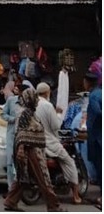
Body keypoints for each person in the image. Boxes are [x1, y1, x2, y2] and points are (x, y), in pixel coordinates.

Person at [3, 87, 63, 212]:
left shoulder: (29, 112)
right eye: (35, 98)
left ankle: (11, 202)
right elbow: (22, 133)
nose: (37, 100)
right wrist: (21, 149)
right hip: (31, 151)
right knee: (43, 179)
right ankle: (54, 206)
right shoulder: (26, 113)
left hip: (30, 150)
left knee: (22, 178)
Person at [35, 82, 82, 204]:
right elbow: (56, 125)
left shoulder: (33, 104)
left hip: (36, 142)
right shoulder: (47, 105)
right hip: (50, 143)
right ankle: (76, 196)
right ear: (47, 93)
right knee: (70, 162)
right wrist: (59, 114)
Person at [84, 70, 102, 210]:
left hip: (96, 135)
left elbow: (97, 112)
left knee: (98, 163)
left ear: (87, 83)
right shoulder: (100, 92)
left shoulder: (93, 96)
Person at [1, 82, 21, 189]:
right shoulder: (11, 100)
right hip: (12, 134)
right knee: (10, 160)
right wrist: (12, 119)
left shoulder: (29, 101)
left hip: (23, 135)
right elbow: (3, 114)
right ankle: (11, 187)